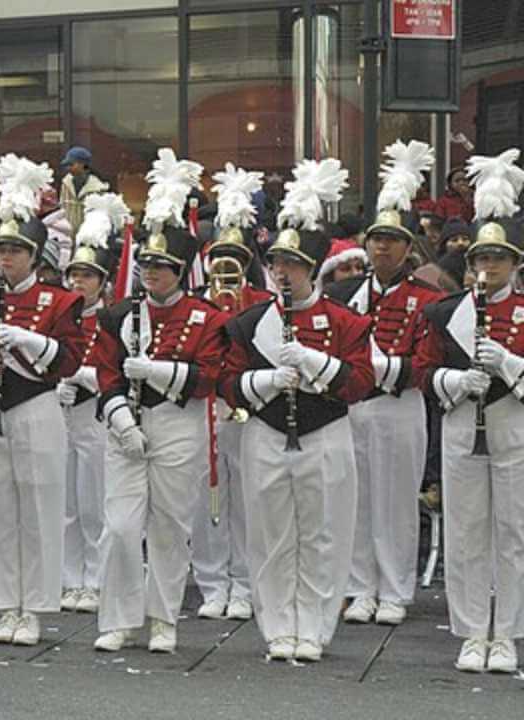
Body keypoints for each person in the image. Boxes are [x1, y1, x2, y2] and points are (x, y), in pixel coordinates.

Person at [219, 158, 373, 662]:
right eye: (277, 265)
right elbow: (226, 381)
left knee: (323, 533)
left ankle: (315, 624)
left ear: (312, 270)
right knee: (270, 534)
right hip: (267, 431)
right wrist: (262, 380)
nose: (283, 274)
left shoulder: (345, 321)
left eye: (293, 266)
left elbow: (360, 383)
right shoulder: (250, 322)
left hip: (323, 433)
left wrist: (317, 364)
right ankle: (278, 624)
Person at [92, 149, 228, 654]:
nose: (151, 273)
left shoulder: (205, 316)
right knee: (121, 527)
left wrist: (160, 372)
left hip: (178, 423)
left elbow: (209, 375)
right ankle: (119, 616)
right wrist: (120, 416)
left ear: (181, 270)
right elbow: (107, 370)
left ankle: (163, 617)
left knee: (170, 525)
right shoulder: (119, 316)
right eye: (147, 264)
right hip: (128, 424)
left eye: (162, 266)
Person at [0, 154, 85, 647]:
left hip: (35, 404)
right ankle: (3, 603)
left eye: (15, 251)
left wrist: (30, 342)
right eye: (0, 252)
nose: (6, 259)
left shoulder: (60, 301)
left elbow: (71, 358)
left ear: (35, 254)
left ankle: (33, 606)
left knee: (38, 505)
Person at [325, 140, 445, 628]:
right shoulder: (343, 291)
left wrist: (379, 367)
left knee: (395, 499)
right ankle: (360, 586)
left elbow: (424, 361)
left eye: (391, 241)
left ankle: (395, 588)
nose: (381, 247)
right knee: (354, 499)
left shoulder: (427, 297)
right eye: (375, 239)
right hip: (353, 405)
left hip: (399, 404)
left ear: (408, 249)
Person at [417, 148, 524, 673]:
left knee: (513, 531)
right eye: (481, 259)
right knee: (465, 531)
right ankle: (470, 630)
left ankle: (506, 632)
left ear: (514, 264)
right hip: (463, 424)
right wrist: (456, 379)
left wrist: (509, 364)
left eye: (498, 259)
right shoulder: (446, 313)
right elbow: (421, 370)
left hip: (514, 428)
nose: (487, 267)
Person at [190, 164, 272, 622]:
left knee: (247, 500)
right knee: (207, 500)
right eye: (220, 256)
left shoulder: (261, 304)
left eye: (236, 259)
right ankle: (211, 583)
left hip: (249, 408)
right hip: (207, 408)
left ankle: (244, 583)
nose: (227, 267)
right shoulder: (197, 302)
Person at [56, 199, 121, 616]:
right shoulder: (60, 314)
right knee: (65, 504)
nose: (79, 282)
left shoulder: (112, 318)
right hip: (60, 412)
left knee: (94, 501)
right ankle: (70, 578)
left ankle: (96, 579)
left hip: (95, 415)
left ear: (102, 281)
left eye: (88, 275)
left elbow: (117, 370)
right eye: (75, 274)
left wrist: (83, 378)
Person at [59, 146, 108, 240]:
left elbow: (100, 218)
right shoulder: (65, 183)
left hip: (86, 239)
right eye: (67, 165)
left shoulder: (98, 188)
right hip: (66, 237)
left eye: (71, 164)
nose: (68, 168)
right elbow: (62, 208)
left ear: (82, 164)